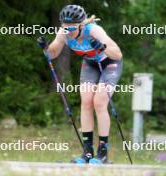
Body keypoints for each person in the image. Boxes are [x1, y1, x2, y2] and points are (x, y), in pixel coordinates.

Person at [38, 4, 123, 164]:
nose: (67, 32)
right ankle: (87, 152)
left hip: (109, 63)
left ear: (81, 25)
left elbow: (118, 54)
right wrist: (45, 48)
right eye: (65, 27)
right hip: (91, 64)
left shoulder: (94, 31)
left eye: (71, 29)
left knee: (99, 102)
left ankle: (103, 153)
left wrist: (102, 47)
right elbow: (53, 54)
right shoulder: (63, 33)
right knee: (86, 102)